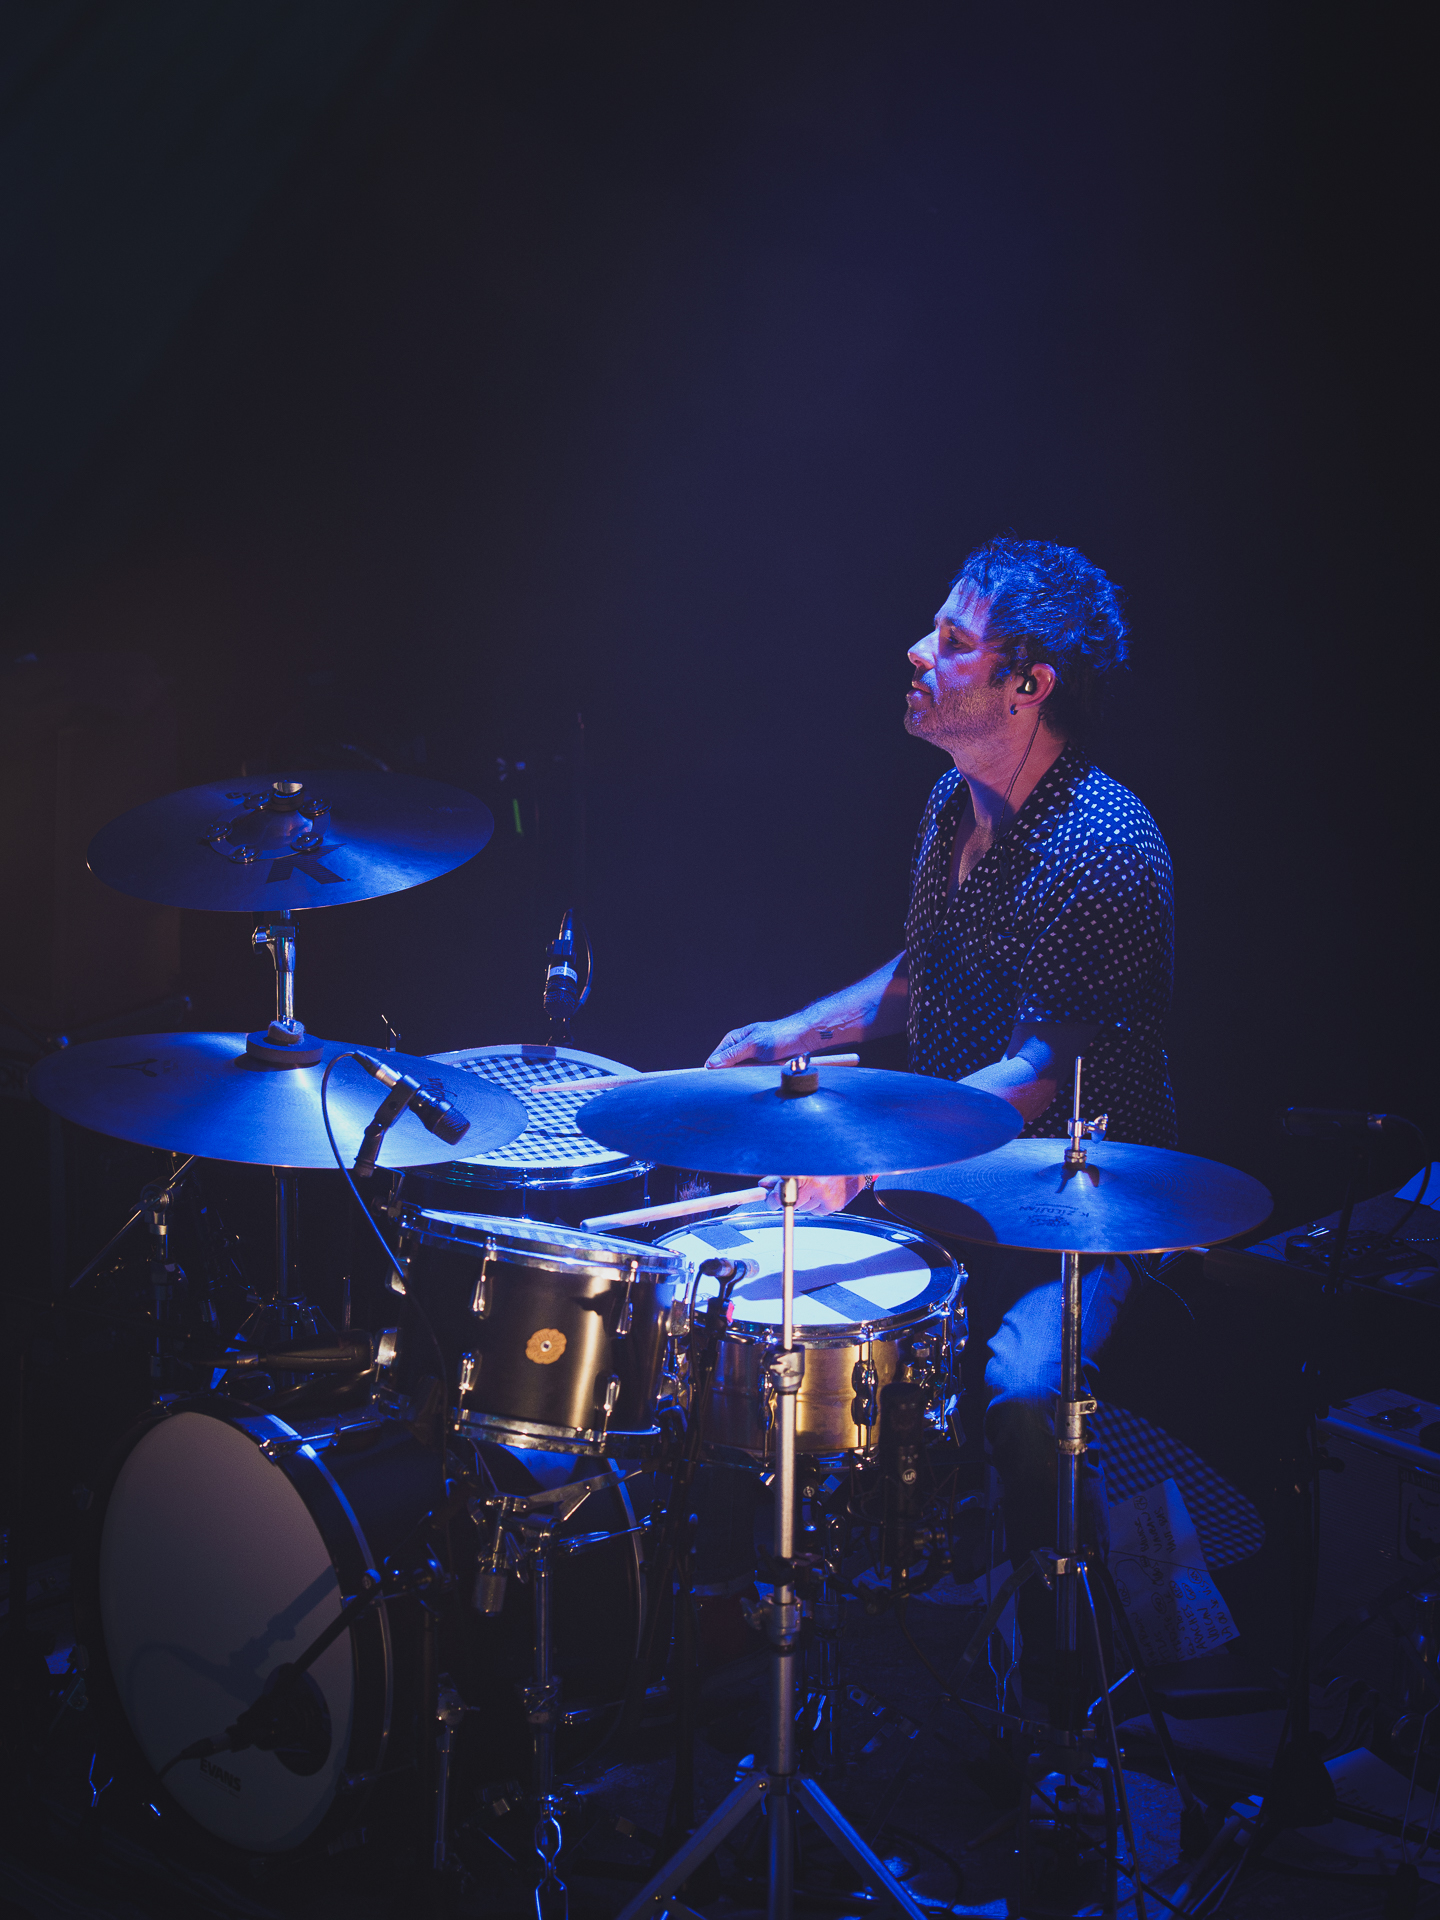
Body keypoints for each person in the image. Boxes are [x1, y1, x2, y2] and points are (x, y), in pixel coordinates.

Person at [705, 535, 1175, 1705]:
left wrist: (864, 1165)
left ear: (1028, 684)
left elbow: (1034, 1074)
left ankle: (1070, 1685)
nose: (917, 652)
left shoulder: (1106, 849)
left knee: (1023, 1394)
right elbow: (921, 976)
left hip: (1077, 1195)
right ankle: (802, 1623)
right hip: (951, 1170)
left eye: (954, 642)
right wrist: (791, 1033)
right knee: (757, 1298)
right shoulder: (949, 806)